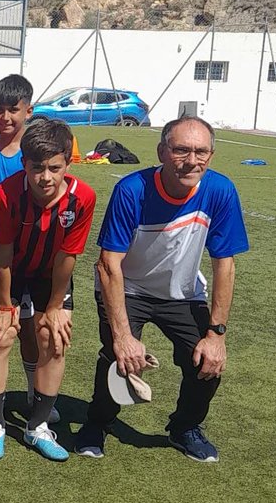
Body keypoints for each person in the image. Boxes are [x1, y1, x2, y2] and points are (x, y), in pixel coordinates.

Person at [76, 116, 248, 462]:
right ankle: (98, 422)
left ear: (211, 156)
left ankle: (184, 428)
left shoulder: (220, 191)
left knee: (207, 361)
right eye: (181, 150)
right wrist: (123, 337)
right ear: (162, 152)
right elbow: (108, 265)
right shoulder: (132, 190)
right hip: (127, 287)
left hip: (182, 293)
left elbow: (224, 265)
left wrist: (216, 335)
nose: (191, 160)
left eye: (201, 151)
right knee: (116, 355)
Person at [0, 119, 96, 462]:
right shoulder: (6, 193)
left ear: (68, 164)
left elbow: (66, 258)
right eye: (37, 168)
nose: (45, 177)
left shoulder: (82, 198)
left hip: (51, 274)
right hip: (8, 271)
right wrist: (3, 307)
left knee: (53, 338)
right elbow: (1, 255)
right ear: (24, 164)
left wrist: (57, 306)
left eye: (54, 168)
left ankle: (38, 426)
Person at [0, 75, 60, 423]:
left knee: (31, 327)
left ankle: (33, 391)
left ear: (29, 111)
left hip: (29, 259)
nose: (5, 117)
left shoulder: (35, 157)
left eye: (13, 110)